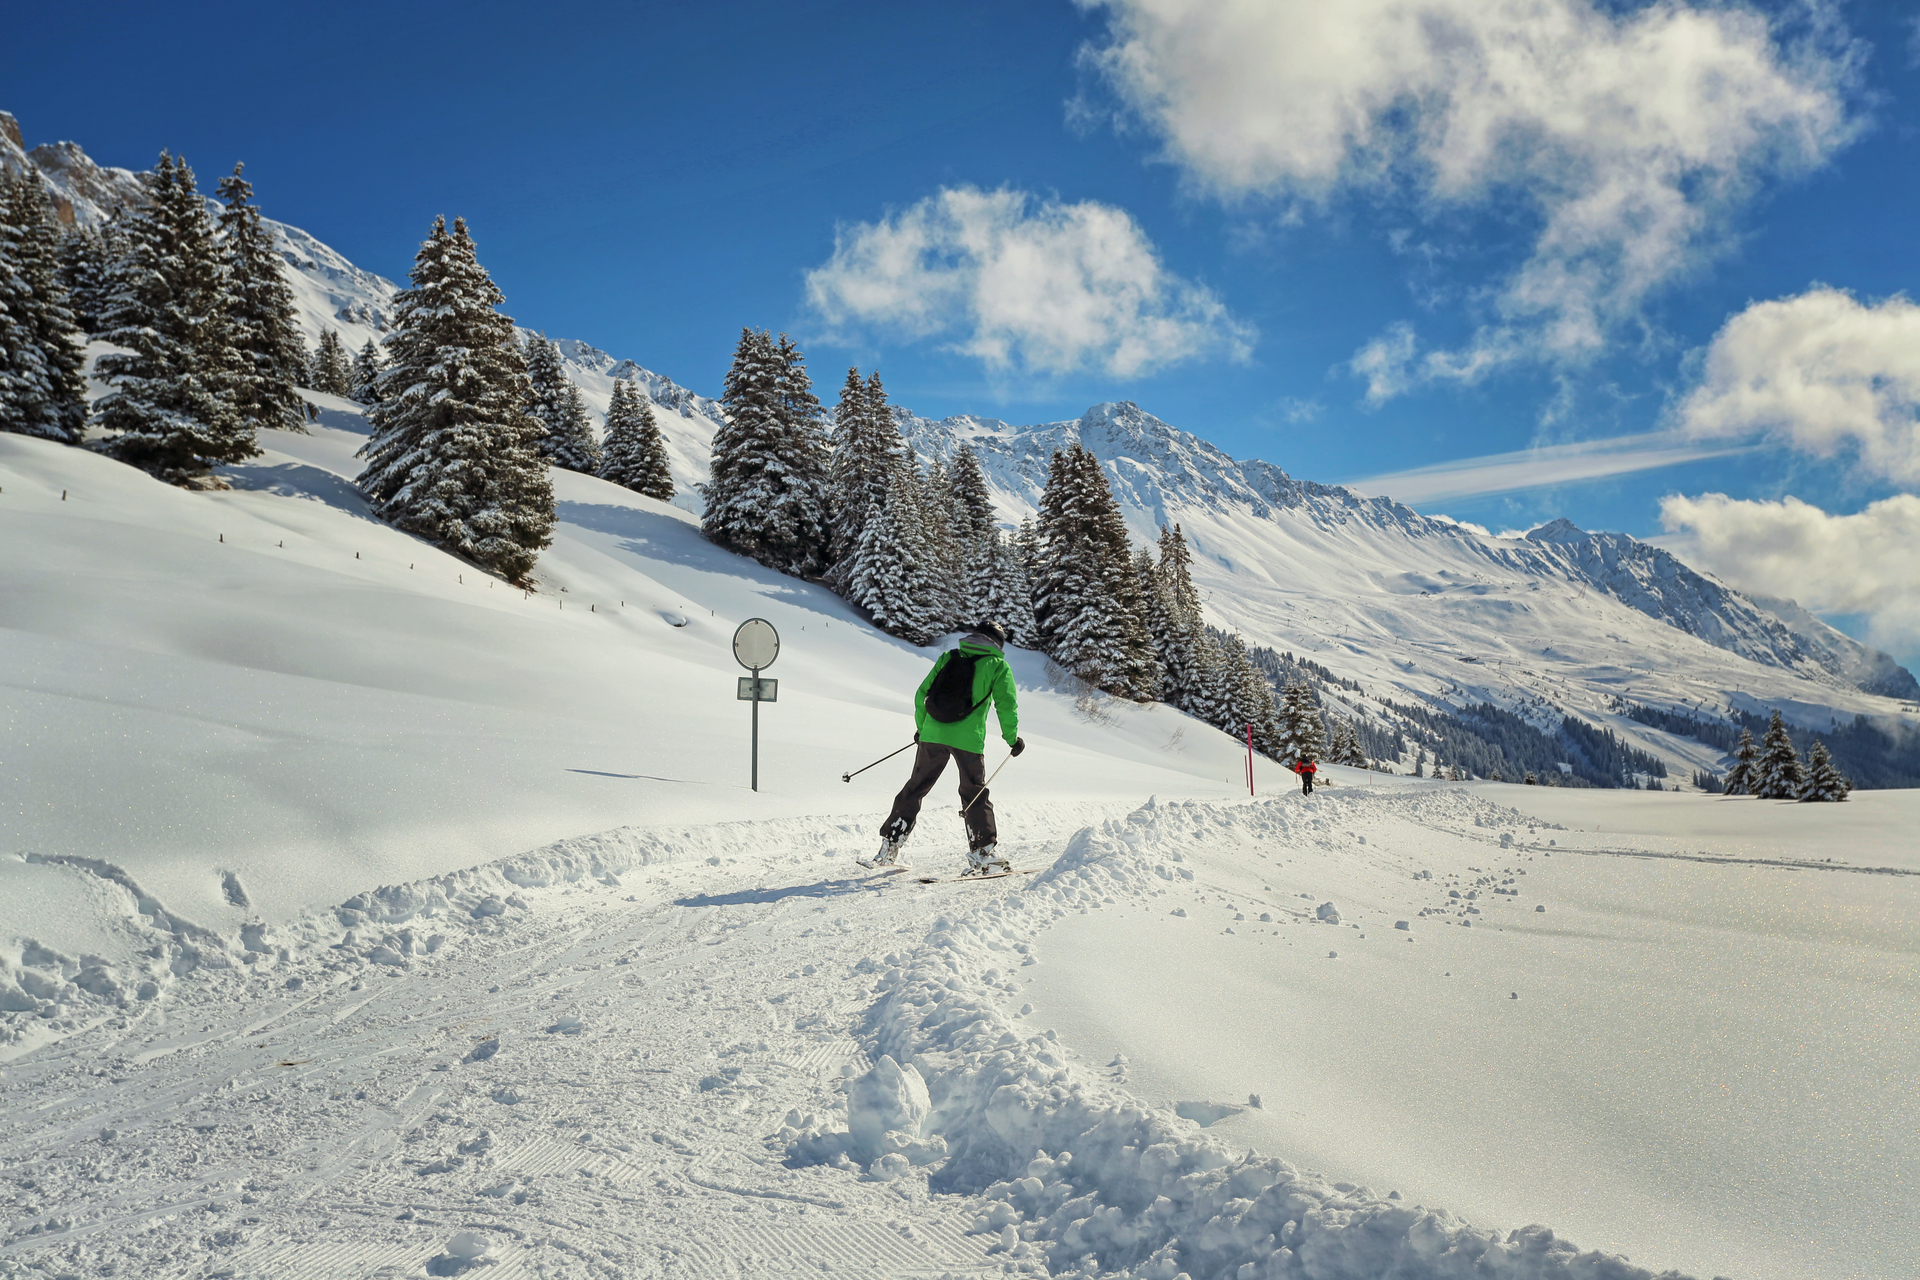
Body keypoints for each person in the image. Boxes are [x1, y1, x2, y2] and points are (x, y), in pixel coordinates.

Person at [865, 622, 1024, 875]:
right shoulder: (998, 666)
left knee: (916, 787)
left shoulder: (949, 656)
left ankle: (889, 847)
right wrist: (1012, 739)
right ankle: (983, 854)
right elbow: (1006, 706)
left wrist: (922, 728)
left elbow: (921, 695)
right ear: (998, 644)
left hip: (933, 734)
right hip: (969, 741)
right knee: (973, 793)